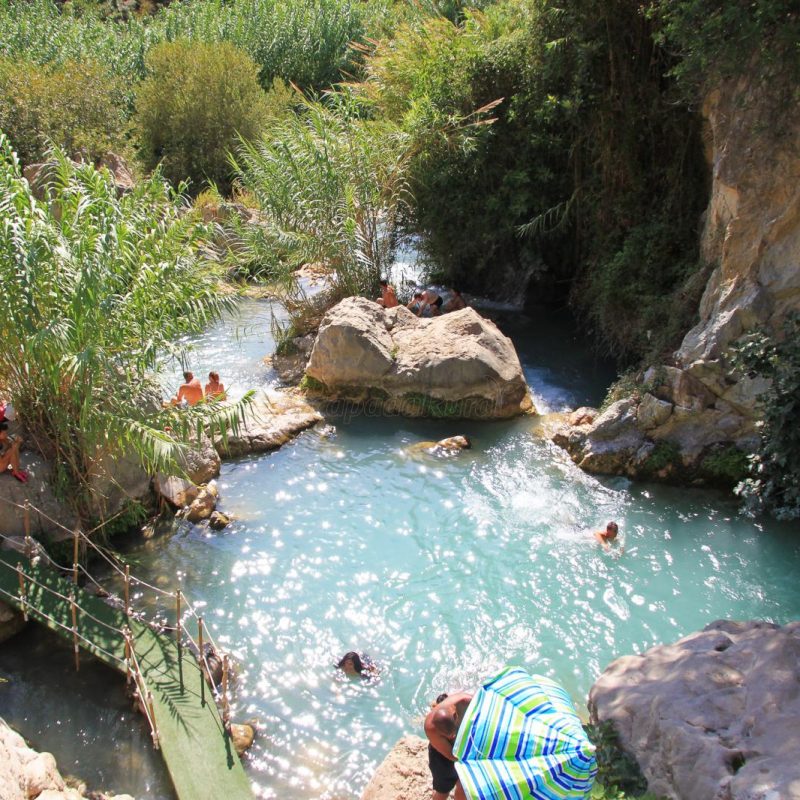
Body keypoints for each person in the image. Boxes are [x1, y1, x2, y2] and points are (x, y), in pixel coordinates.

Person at [424, 691, 473, 800]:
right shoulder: (430, 727)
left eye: (453, 734)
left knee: (464, 788)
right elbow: (451, 755)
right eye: (448, 736)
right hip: (442, 756)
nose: (453, 737)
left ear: (456, 715)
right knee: (443, 791)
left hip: (465, 746)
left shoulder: (468, 702)